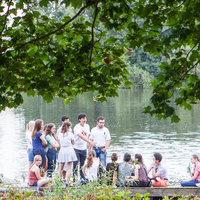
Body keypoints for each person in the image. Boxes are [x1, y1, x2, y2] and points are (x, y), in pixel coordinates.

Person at [73, 113, 95, 181]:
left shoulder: (87, 126)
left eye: (85, 118)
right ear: (79, 119)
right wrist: (90, 142)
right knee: (76, 163)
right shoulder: (77, 127)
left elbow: (88, 136)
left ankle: (82, 177)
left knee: (82, 164)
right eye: (83, 119)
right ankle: (74, 178)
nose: (85, 120)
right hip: (76, 148)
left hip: (83, 148)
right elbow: (81, 136)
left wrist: (89, 147)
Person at [56, 115, 72, 180]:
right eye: (66, 121)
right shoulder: (59, 130)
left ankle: (64, 179)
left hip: (68, 148)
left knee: (66, 166)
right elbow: (57, 139)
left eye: (68, 121)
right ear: (63, 122)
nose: (67, 122)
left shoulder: (70, 130)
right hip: (62, 149)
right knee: (61, 165)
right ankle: (60, 179)